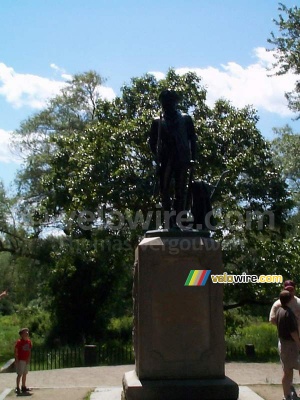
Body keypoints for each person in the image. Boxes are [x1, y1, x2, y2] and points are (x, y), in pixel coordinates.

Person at [149, 89, 197, 229]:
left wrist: (193, 158)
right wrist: (156, 156)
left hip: (182, 159)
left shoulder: (185, 118)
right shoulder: (158, 121)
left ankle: (178, 220)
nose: (167, 105)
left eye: (169, 101)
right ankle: (167, 221)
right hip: (165, 161)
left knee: (180, 190)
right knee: (164, 190)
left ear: (175, 102)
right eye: (164, 102)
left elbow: (193, 140)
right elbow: (151, 142)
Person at [276, 290, 300, 400]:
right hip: (290, 345)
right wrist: (299, 343)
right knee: (291, 369)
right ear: (290, 299)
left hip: (283, 343)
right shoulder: (288, 313)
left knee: (287, 371)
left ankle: (286, 395)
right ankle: (288, 394)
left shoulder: (279, 311)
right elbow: (293, 332)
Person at [14, 328, 32, 395]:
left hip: (26, 360)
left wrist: (29, 358)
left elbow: (29, 351)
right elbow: (16, 351)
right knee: (19, 374)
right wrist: (16, 360)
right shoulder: (19, 342)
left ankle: (23, 386)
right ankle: (17, 387)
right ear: (22, 335)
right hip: (21, 360)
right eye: (25, 332)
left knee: (25, 374)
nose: (27, 333)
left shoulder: (29, 342)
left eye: (27, 332)